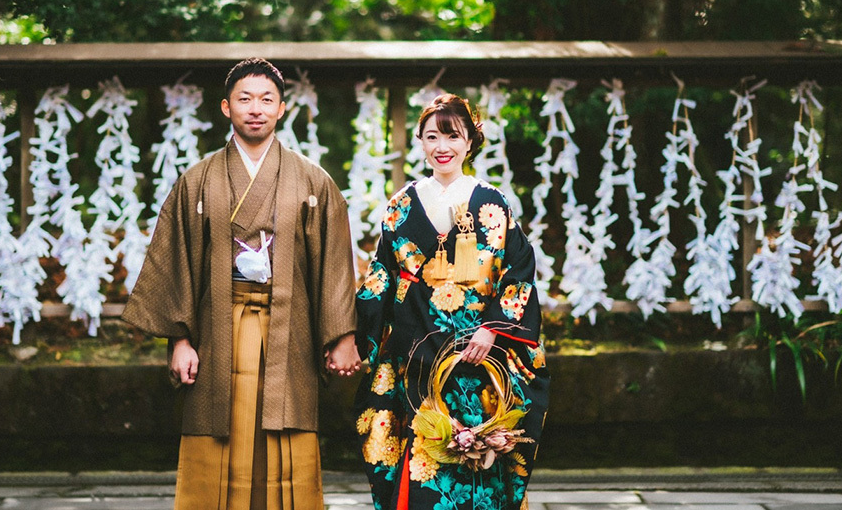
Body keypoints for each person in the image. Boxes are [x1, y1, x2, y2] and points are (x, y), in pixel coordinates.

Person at [122, 57, 362, 510]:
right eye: (245, 99)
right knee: (216, 428)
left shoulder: (313, 180)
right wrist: (179, 338)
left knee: (286, 431)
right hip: (216, 326)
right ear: (225, 107)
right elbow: (176, 262)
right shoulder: (197, 180)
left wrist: (341, 335)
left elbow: (334, 263)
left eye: (266, 99)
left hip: (289, 328)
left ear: (282, 109)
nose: (256, 108)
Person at [354, 93, 550, 510]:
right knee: (422, 461)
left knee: (483, 460)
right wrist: (355, 341)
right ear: (421, 144)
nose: (442, 147)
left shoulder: (492, 202)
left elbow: (518, 273)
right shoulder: (402, 205)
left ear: (469, 142)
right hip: (416, 350)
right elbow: (380, 278)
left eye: (452, 136)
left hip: (481, 354)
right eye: (431, 136)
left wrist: (491, 328)